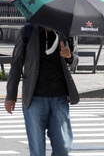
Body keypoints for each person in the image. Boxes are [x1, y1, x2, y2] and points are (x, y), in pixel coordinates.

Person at [5, 23, 79, 156]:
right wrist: (11, 95)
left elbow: (75, 59)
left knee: (64, 148)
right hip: (34, 99)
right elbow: (16, 65)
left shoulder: (65, 32)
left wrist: (70, 56)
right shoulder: (27, 32)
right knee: (37, 151)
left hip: (60, 98)